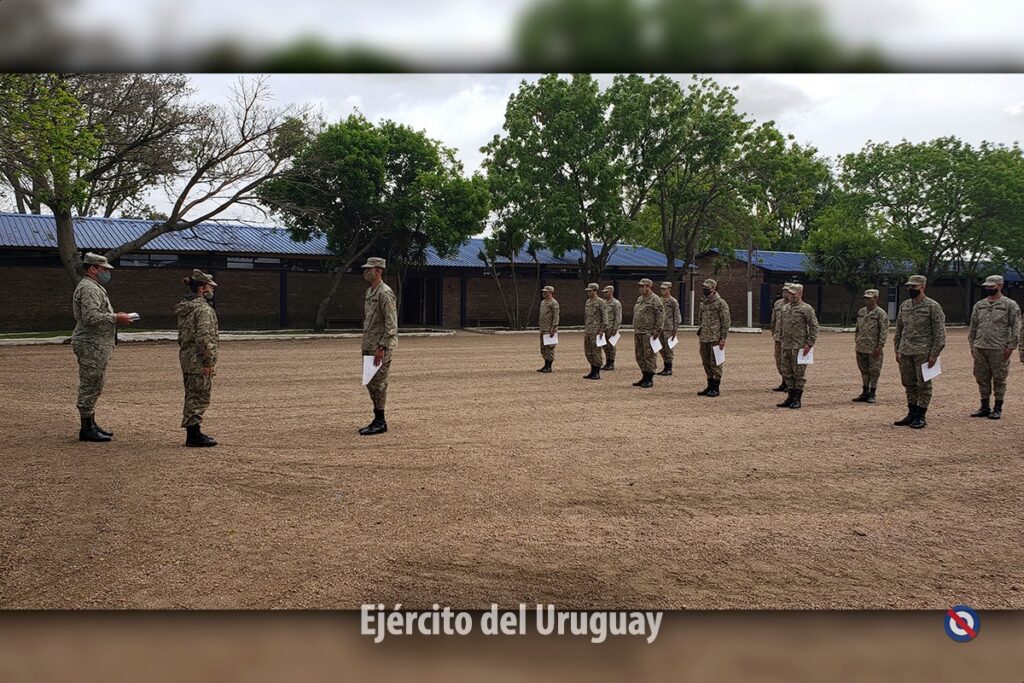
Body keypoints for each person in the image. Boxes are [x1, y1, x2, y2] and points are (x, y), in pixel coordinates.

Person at [71, 252, 135, 442]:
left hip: (96, 344)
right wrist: (116, 318)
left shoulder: (93, 287)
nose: (107, 272)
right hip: (91, 344)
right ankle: (86, 428)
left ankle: (90, 423)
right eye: (104, 269)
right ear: (93, 269)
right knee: (90, 384)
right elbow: (91, 317)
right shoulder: (89, 288)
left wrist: (117, 317)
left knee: (95, 382)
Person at [893, 275, 946, 429]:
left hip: (924, 352)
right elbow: (899, 330)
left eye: (914, 287)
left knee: (923, 384)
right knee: (908, 383)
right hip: (906, 351)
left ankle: (921, 415)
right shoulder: (905, 305)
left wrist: (934, 354)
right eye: (909, 286)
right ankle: (911, 413)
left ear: (923, 287)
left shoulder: (933, 306)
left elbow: (940, 333)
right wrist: (897, 349)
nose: (911, 289)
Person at [176, 269, 220, 447]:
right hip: (199, 360)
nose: (212, 290)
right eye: (210, 287)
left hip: (188, 357)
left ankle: (193, 431)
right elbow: (204, 337)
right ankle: (193, 434)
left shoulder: (186, 308)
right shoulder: (203, 310)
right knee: (199, 396)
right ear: (202, 289)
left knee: (192, 394)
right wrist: (209, 361)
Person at [967, 275, 1020, 420]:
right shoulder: (979, 305)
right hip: (980, 347)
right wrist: (972, 345)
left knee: (999, 379)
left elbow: (1016, 328)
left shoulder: (1010, 305)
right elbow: (973, 327)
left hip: (999, 348)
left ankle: (997, 408)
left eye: (992, 286)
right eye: (987, 286)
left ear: (1000, 286)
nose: (989, 288)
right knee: (981, 378)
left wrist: (1011, 347)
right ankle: (984, 407)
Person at [360, 257, 398, 435]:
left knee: (379, 384)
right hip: (369, 344)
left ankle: (381, 422)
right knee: (370, 382)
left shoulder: (385, 293)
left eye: (369, 269)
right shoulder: (370, 291)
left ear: (378, 271)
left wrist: (382, 348)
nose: (366, 272)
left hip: (380, 347)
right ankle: (376, 419)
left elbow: (391, 324)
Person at [776, 283, 819, 410]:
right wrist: (780, 339)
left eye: (793, 294)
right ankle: (790, 397)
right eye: (789, 293)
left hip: (799, 346)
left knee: (798, 373)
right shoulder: (785, 308)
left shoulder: (806, 309)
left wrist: (810, 344)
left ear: (800, 294)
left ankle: (797, 399)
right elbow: (781, 325)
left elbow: (814, 327)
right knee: (787, 371)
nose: (790, 296)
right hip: (786, 345)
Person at [852, 289, 888, 404]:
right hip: (861, 347)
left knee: (874, 371)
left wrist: (880, 346)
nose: (866, 300)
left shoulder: (880, 313)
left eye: (869, 298)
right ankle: (865, 392)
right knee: (864, 371)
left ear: (876, 298)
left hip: (874, 348)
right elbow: (857, 329)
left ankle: (872, 393)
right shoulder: (861, 312)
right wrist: (857, 341)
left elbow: (883, 331)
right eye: (865, 298)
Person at [696, 278, 730, 397]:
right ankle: (709, 385)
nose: (704, 289)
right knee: (706, 362)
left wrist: (723, 338)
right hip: (704, 337)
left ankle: (716, 387)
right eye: (703, 287)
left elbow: (726, 321)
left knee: (716, 362)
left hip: (715, 337)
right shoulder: (703, 302)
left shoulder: (720, 303)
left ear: (713, 288)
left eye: (707, 288)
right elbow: (700, 318)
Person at [632, 278, 665, 388]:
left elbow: (660, 316)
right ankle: (644, 375)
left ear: (648, 287)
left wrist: (657, 331)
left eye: (642, 286)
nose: (640, 288)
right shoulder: (640, 298)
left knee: (649, 355)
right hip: (639, 331)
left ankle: (649, 378)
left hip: (649, 332)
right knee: (639, 355)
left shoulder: (655, 299)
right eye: (639, 286)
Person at [582, 283, 608, 380]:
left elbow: (605, 317)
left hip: (596, 331)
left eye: (590, 291)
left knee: (596, 351)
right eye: (587, 291)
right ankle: (592, 370)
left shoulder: (601, 302)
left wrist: (602, 330)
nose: (588, 293)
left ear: (595, 291)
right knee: (588, 351)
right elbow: (586, 316)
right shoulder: (588, 301)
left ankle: (596, 372)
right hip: (588, 330)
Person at [770, 284, 792, 392]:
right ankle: (784, 381)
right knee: (779, 359)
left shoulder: (795, 305)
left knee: (788, 360)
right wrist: (773, 331)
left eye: (787, 291)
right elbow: (774, 319)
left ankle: (790, 383)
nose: (785, 293)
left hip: (790, 338)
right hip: (779, 337)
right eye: (784, 291)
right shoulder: (778, 303)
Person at [656, 282, 681, 376]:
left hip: (669, 328)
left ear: (669, 289)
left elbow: (677, 316)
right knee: (661, 348)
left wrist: (675, 329)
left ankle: (669, 368)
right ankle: (665, 367)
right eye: (661, 289)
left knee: (668, 349)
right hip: (660, 328)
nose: (663, 290)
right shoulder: (659, 300)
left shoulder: (673, 301)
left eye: (664, 289)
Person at [537, 285, 559, 373]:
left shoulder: (554, 303)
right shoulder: (543, 302)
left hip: (549, 328)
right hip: (543, 327)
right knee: (543, 347)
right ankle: (545, 364)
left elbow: (556, 316)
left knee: (549, 347)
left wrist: (553, 328)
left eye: (545, 292)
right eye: (543, 292)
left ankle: (549, 366)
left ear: (550, 292)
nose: (543, 293)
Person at [600, 285, 622, 371]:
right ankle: (607, 362)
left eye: (606, 292)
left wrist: (615, 328)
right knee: (605, 346)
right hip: (604, 328)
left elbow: (618, 317)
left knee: (611, 346)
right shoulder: (603, 303)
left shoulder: (616, 303)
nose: (604, 294)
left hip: (611, 327)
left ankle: (611, 363)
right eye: (604, 292)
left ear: (611, 292)